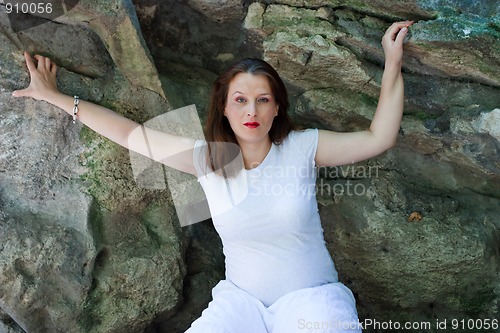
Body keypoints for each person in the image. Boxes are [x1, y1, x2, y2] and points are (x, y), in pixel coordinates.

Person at [12, 20, 413, 333]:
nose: (251, 111)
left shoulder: (303, 147)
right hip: (242, 307)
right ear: (223, 108)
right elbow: (133, 136)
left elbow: (380, 137)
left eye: (262, 100)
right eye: (239, 101)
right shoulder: (207, 159)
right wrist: (55, 96)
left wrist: (392, 63)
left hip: (311, 303)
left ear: (277, 109)